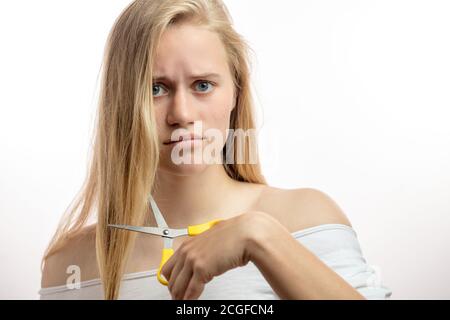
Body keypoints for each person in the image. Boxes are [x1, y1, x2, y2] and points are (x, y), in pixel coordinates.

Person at [39, 0, 392, 300]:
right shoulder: (70, 265)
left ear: (236, 91)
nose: (182, 114)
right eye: (156, 89)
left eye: (203, 85)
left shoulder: (304, 220)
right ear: (121, 102)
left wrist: (259, 237)